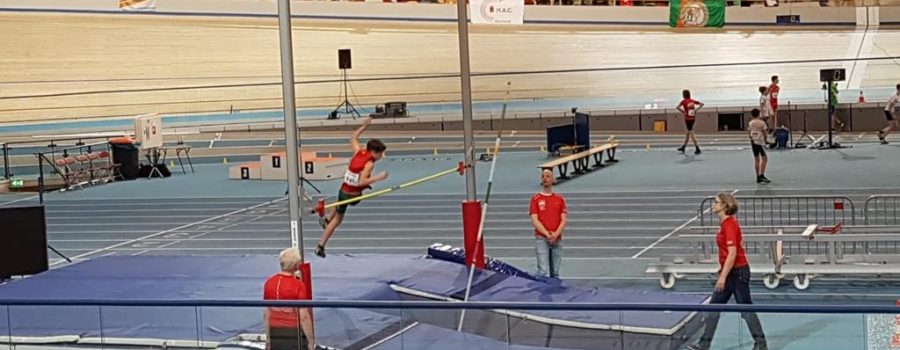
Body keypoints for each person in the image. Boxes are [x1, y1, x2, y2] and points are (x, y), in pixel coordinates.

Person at [686, 193, 768, 350]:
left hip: (737, 273)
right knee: (713, 308)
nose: (713, 205)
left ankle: (761, 344)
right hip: (730, 272)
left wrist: (722, 277)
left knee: (746, 309)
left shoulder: (729, 225)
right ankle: (704, 345)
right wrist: (722, 270)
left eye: (716, 202)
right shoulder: (725, 224)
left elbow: (732, 253)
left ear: (724, 206)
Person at [316, 118, 388, 258]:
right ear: (373, 152)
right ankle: (320, 246)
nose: (381, 156)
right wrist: (379, 177)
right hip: (353, 195)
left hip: (343, 190)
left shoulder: (359, 151)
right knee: (338, 220)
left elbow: (353, 137)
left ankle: (326, 220)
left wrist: (364, 126)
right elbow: (361, 182)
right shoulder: (369, 164)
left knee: (338, 206)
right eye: (380, 154)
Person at [263, 248, 316, 350]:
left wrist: (268, 338)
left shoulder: (269, 282)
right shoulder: (298, 285)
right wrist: (311, 340)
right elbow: (304, 317)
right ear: (296, 265)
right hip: (293, 333)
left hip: (275, 331)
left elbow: (266, 314)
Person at [529, 169, 567, 279]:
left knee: (555, 273)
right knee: (542, 271)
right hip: (542, 239)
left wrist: (556, 234)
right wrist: (547, 234)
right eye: (543, 176)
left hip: (557, 239)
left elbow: (563, 219)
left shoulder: (559, 199)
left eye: (548, 176)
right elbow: (534, 220)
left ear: (553, 179)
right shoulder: (535, 199)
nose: (545, 178)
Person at [676, 89, 704, 155]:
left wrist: (683, 112)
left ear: (683, 95)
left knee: (691, 133)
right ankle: (683, 147)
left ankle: (697, 148)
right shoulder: (692, 101)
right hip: (693, 118)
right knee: (688, 133)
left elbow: (677, 107)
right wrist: (696, 110)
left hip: (687, 119)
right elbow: (702, 104)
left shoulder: (683, 101)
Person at [748, 108, 771, 184]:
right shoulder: (762, 123)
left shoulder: (751, 123)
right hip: (760, 142)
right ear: (759, 114)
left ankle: (757, 176)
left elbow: (749, 132)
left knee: (756, 159)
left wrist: (752, 139)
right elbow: (765, 132)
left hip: (753, 142)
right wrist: (766, 140)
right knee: (765, 158)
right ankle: (761, 175)